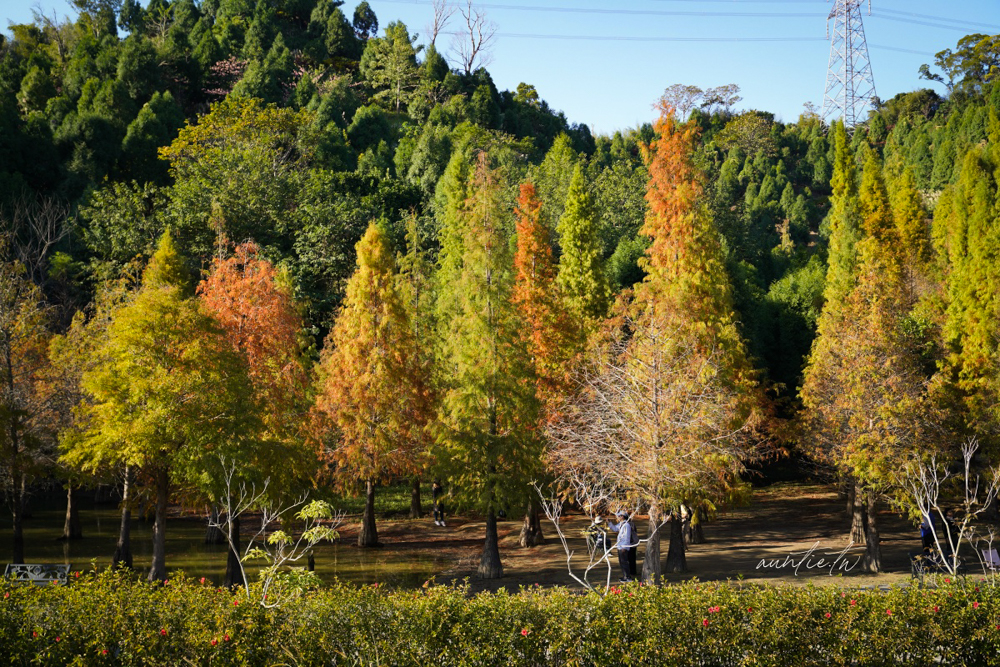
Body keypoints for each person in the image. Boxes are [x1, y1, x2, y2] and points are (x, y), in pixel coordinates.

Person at [607, 511, 636, 582]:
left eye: (619, 516)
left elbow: (627, 537)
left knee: (624, 562)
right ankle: (625, 576)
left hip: (623, 547)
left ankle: (628, 577)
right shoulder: (621, 524)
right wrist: (609, 523)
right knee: (622, 562)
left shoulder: (626, 525)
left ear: (622, 516)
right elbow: (615, 529)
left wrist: (624, 547)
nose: (618, 517)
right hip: (620, 546)